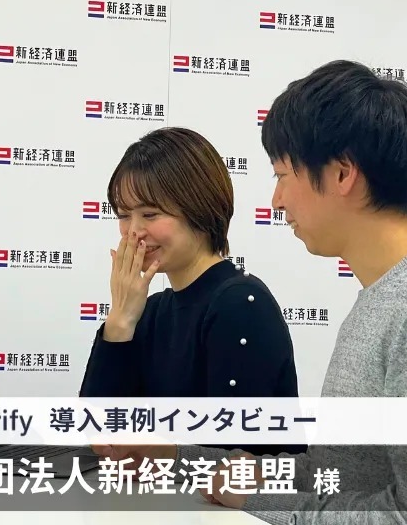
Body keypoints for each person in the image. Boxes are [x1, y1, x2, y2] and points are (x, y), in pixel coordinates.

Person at [92, 61, 407, 525]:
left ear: (341, 174)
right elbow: (337, 477)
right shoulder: (384, 298)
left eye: (283, 175)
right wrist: (184, 458)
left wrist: (263, 504)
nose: (276, 200)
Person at [78, 126, 305, 457]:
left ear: (199, 208)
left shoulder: (240, 303)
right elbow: (99, 433)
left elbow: (238, 458)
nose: (134, 232)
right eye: (124, 216)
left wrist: (161, 455)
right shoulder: (149, 310)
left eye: (150, 214)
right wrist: (120, 320)